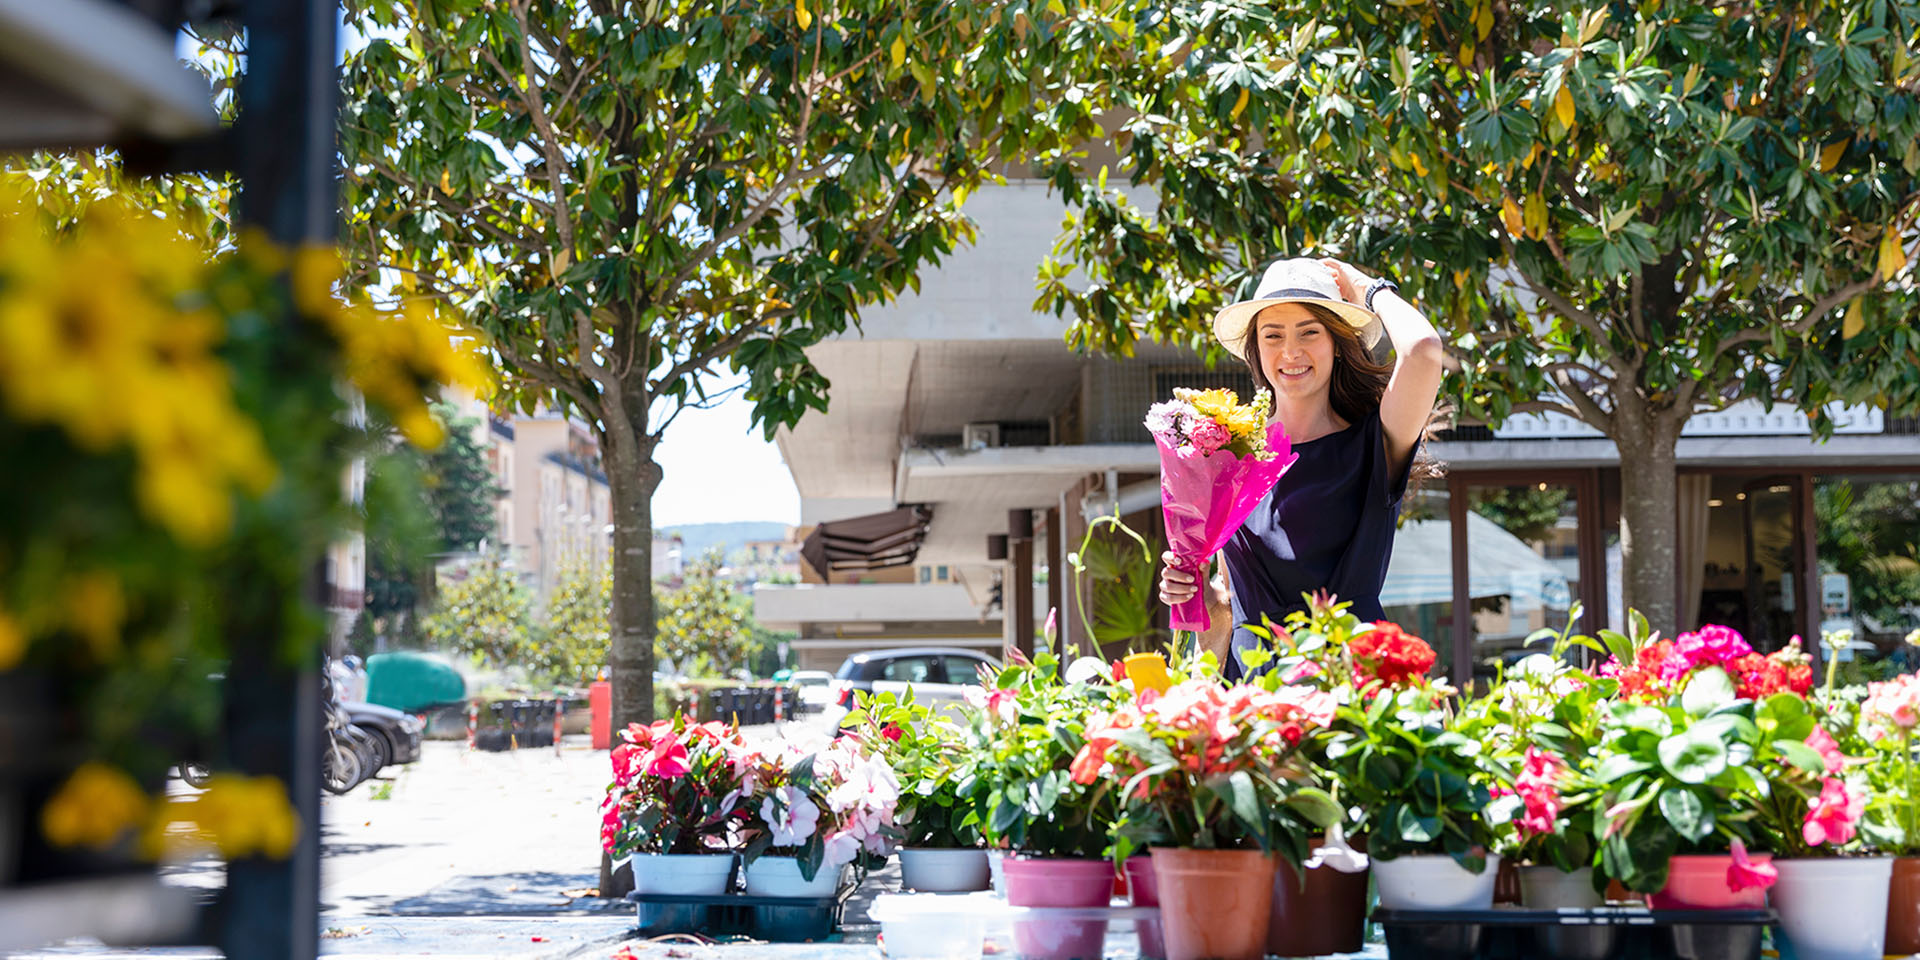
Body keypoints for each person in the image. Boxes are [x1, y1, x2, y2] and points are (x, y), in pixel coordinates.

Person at [1158, 257, 1446, 680]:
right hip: (1252, 692)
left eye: (1309, 332)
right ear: (1256, 350)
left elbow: (1423, 350)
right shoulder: (1232, 462)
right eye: (1272, 335)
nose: (1290, 352)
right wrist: (1193, 590)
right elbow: (1226, 608)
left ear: (1337, 344)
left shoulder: (1375, 442)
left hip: (1349, 679)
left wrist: (1364, 285)